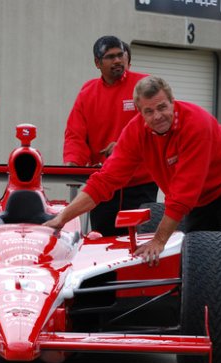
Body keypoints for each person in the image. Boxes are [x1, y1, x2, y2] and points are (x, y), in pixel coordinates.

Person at [46, 76, 221, 363]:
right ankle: (202, 328)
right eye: (149, 111)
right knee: (197, 264)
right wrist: (61, 218)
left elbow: (183, 195)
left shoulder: (197, 124)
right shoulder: (135, 133)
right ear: (139, 113)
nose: (157, 116)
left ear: (173, 102)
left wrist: (159, 241)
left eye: (162, 107)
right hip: (197, 197)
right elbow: (105, 181)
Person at [63, 36, 157, 236]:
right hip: (104, 186)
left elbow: (156, 124)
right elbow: (75, 134)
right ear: (97, 63)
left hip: (140, 183)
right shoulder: (87, 93)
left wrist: (125, 145)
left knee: (139, 243)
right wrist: (73, 163)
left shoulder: (144, 85)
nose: (117, 60)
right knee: (102, 243)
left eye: (120, 55)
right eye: (110, 57)